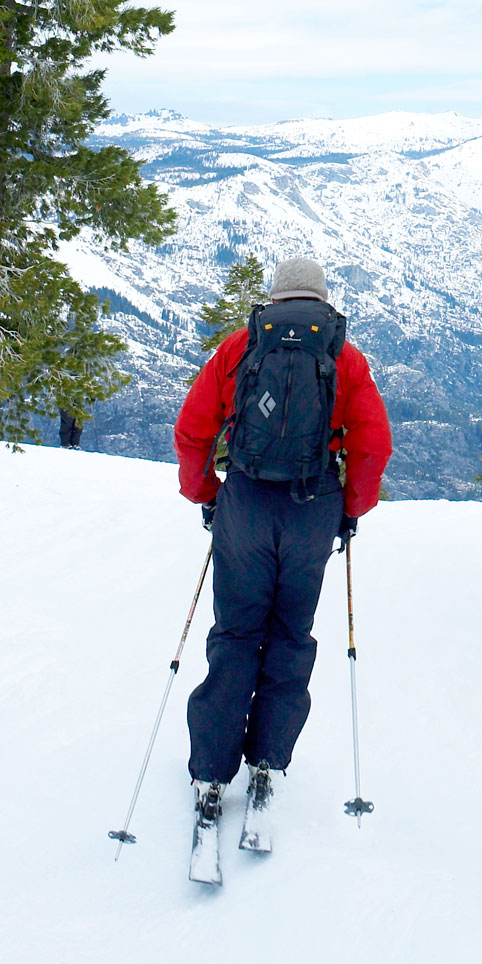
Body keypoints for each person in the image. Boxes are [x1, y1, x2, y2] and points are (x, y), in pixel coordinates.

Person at [174, 254, 391, 882]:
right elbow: (372, 445)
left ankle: (210, 772)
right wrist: (349, 510)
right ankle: (268, 762)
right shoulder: (344, 357)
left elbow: (193, 430)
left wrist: (207, 494)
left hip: (245, 503)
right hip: (310, 508)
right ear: (321, 300)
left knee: (236, 632)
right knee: (290, 635)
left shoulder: (238, 348)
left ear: (273, 299)